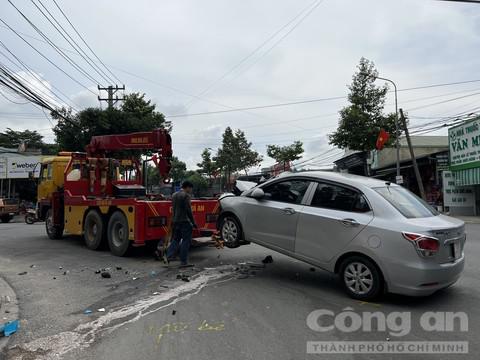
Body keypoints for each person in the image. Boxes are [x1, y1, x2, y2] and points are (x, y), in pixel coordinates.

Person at [163, 181, 197, 267]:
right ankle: (183, 262)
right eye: (191, 188)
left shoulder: (174, 195)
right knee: (186, 241)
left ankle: (168, 256)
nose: (191, 190)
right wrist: (193, 222)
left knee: (176, 239)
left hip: (175, 221)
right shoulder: (186, 196)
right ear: (188, 187)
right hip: (185, 221)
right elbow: (188, 210)